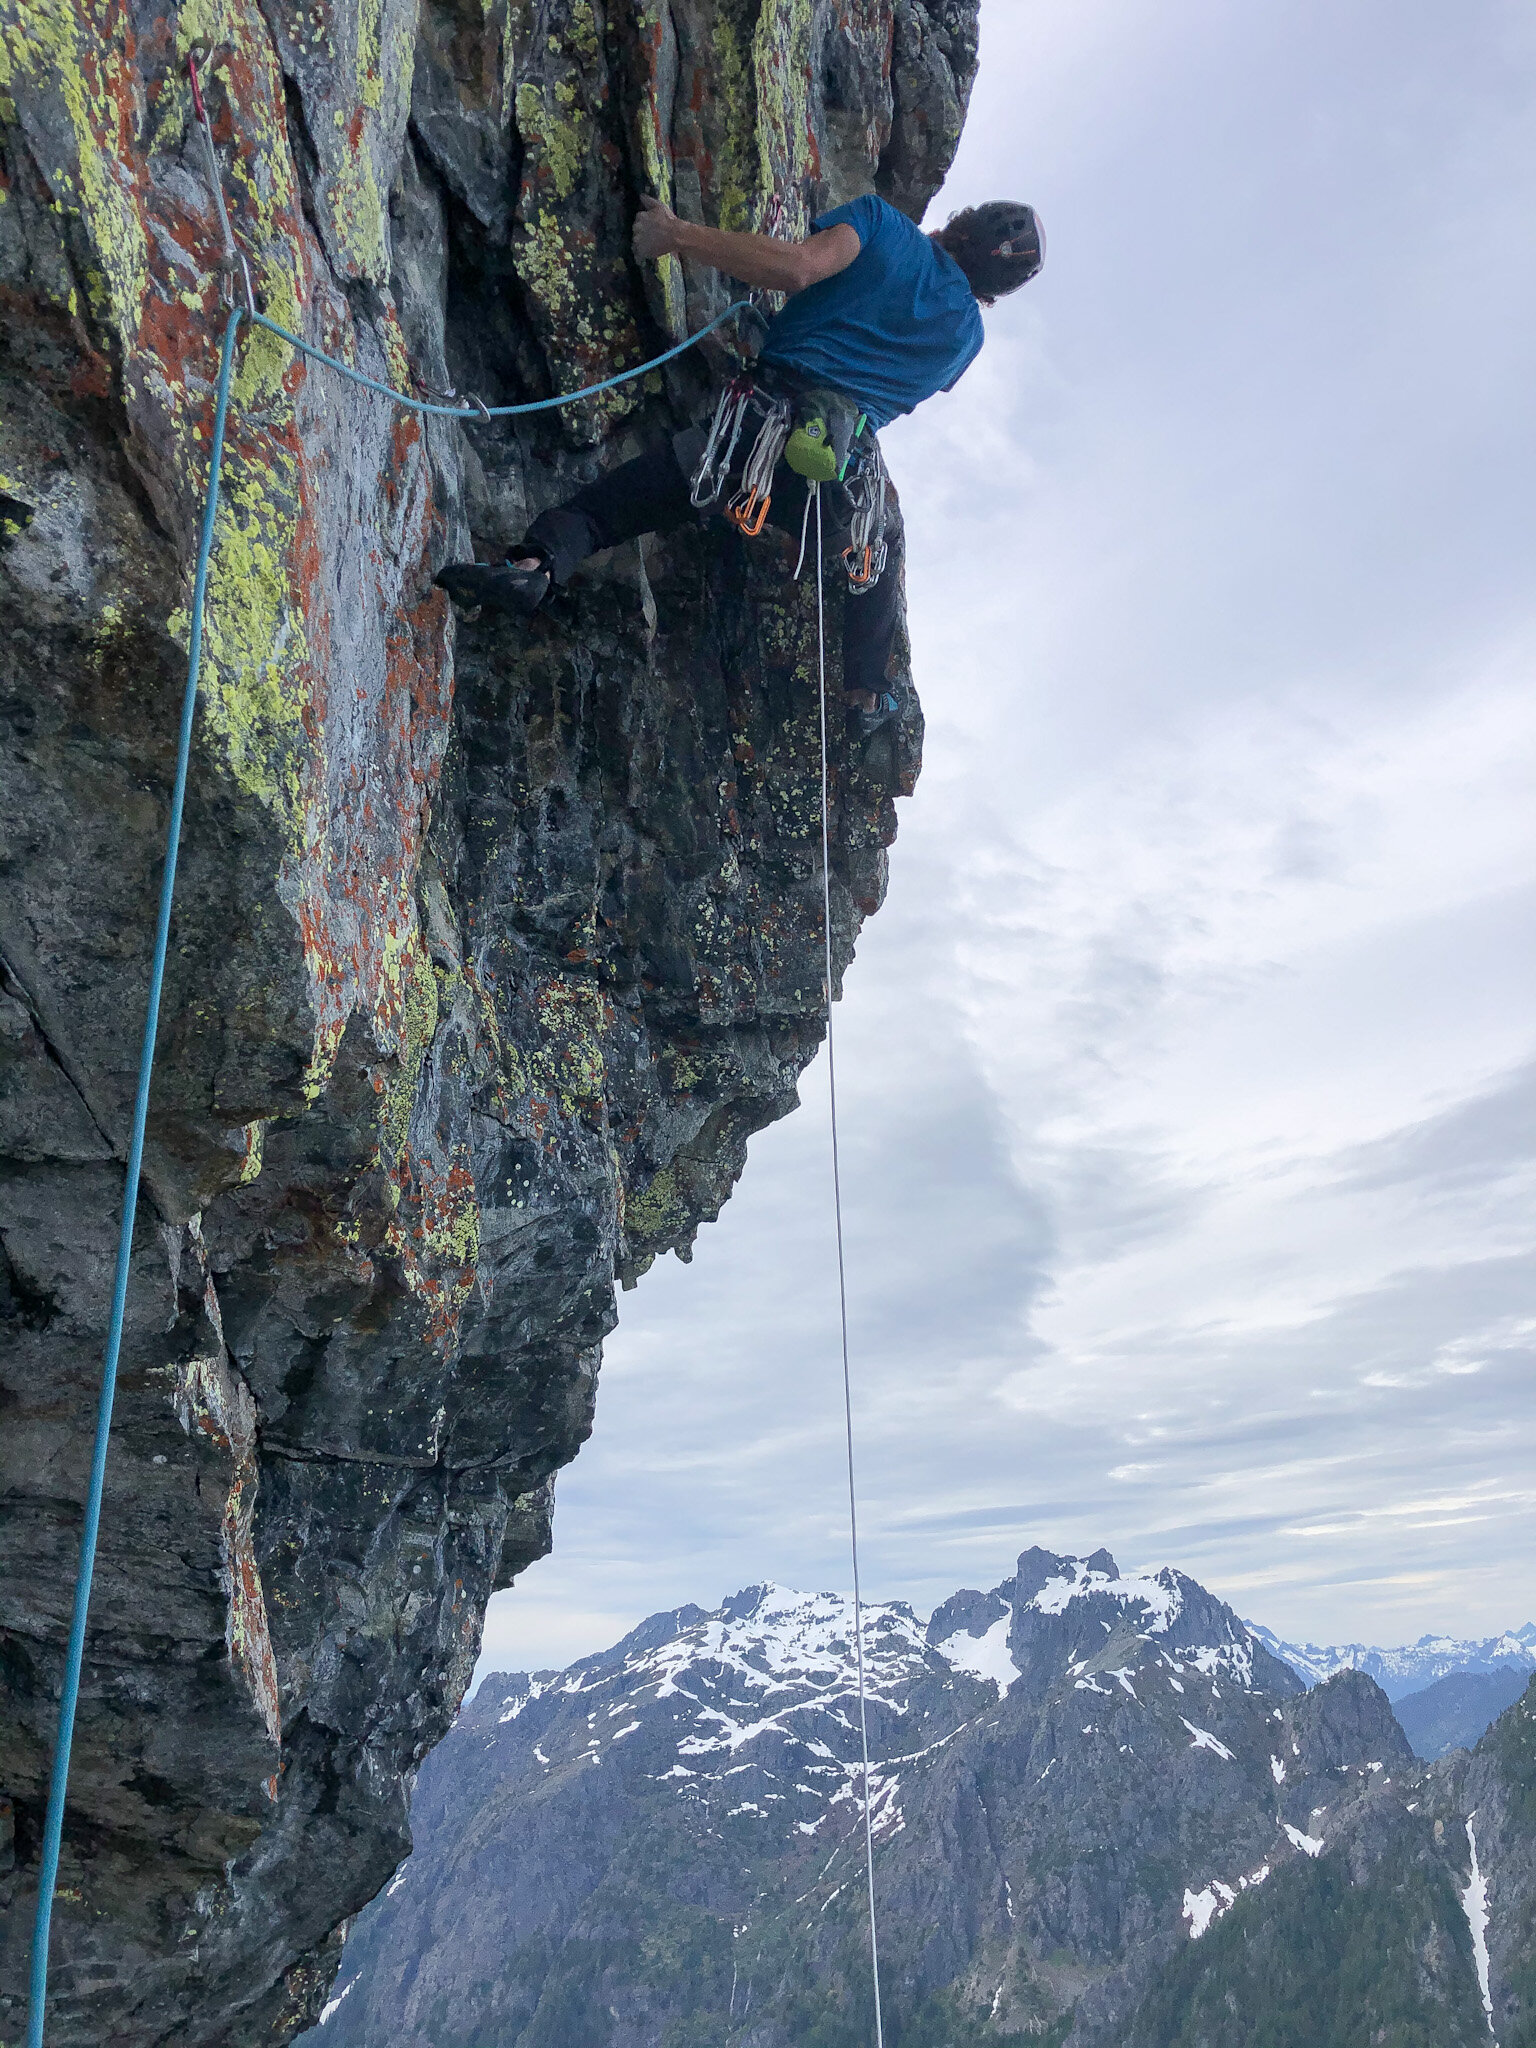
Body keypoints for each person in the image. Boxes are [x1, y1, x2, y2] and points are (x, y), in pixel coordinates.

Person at [436, 193, 1043, 730]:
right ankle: (867, 693)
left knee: (599, 516)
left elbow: (798, 269)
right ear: (998, 287)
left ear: (963, 223)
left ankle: (535, 567)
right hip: (830, 480)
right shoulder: (966, 341)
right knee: (872, 558)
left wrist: (675, 235)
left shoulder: (883, 225)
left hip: (746, 441)